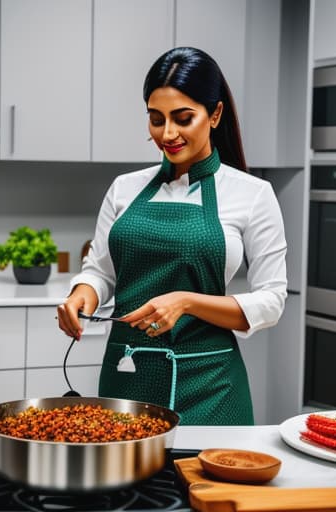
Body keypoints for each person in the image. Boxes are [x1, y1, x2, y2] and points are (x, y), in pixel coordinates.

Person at [57, 47, 287, 425]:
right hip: (127, 378)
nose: (167, 134)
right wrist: (81, 296)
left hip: (212, 387)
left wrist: (186, 302)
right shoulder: (124, 188)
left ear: (214, 114)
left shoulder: (252, 194)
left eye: (183, 118)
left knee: (207, 486)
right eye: (155, 119)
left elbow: (271, 301)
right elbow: (100, 271)